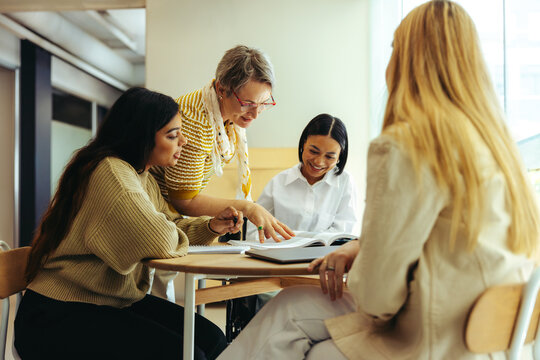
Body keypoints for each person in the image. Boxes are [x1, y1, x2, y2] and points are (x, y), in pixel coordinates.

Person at [218, 1, 540, 359]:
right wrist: (362, 247)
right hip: (492, 336)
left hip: (432, 337)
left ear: (408, 62)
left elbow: (376, 299)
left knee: (291, 317)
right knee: (293, 309)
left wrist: (367, 257)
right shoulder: (500, 150)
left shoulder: (404, 146)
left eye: (393, 50)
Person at [14, 87, 236, 360]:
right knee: (187, 354)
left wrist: (210, 227)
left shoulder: (141, 175)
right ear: (142, 136)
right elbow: (158, 239)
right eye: (172, 135)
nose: (184, 142)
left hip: (109, 300)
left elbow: (169, 227)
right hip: (58, 314)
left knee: (212, 339)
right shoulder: (112, 174)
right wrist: (169, 230)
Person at [149, 45, 294, 301]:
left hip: (167, 209)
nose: (256, 113)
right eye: (248, 103)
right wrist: (247, 207)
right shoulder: (194, 123)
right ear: (221, 89)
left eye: (263, 103)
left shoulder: (225, 115)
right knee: (154, 294)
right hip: (152, 209)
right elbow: (183, 199)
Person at [246, 113, 358, 239]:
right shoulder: (278, 183)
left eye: (329, 157)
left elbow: (344, 235)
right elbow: (253, 233)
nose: (318, 162)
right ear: (303, 144)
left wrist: (292, 238)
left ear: (339, 157)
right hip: (278, 256)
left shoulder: (345, 182)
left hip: (324, 257)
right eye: (313, 151)